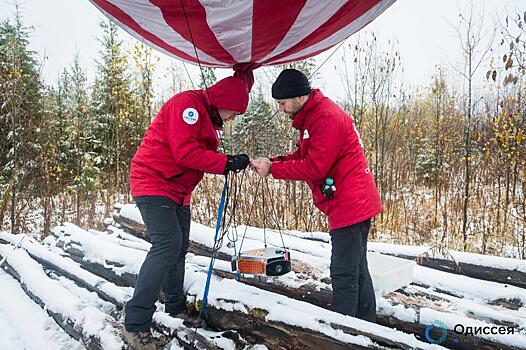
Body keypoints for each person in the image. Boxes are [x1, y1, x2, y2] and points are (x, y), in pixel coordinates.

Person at [124, 76, 251, 349]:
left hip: (178, 190)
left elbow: (239, 87)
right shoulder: (188, 106)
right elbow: (185, 153)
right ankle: (135, 323)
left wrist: (227, 162)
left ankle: (174, 306)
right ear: (223, 102)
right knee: (167, 245)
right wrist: (225, 162)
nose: (232, 118)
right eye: (234, 112)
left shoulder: (209, 117)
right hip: (153, 182)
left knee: (178, 247)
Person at [251, 69, 383, 322]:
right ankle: (367, 325)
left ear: (299, 96)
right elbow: (304, 155)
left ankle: (342, 332)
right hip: (349, 201)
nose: (280, 108)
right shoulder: (313, 117)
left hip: (351, 203)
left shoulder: (326, 118)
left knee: (344, 272)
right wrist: (273, 161)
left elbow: (315, 166)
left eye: (282, 102)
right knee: (357, 269)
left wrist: (274, 169)